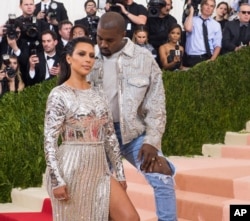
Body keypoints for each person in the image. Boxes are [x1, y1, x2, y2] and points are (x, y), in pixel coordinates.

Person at [89, 12, 177, 221]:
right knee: (101, 190)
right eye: (99, 38)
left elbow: (156, 104)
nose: (102, 44)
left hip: (134, 135)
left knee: (161, 173)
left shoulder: (144, 58)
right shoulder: (89, 58)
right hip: (100, 136)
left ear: (123, 35)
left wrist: (152, 141)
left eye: (109, 40)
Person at [44, 36, 140, 221]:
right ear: (69, 58)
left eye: (91, 55)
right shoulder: (59, 94)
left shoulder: (99, 93)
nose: (88, 59)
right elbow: (49, 141)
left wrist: (119, 173)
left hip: (99, 169)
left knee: (130, 218)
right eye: (81, 54)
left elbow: (110, 136)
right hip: (70, 169)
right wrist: (57, 179)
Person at [183, 0, 222, 67]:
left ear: (213, 9)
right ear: (201, 6)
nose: (208, 7)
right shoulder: (191, 19)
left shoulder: (216, 25)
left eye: (211, 6)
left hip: (207, 57)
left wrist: (212, 60)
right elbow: (188, 28)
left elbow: (217, 45)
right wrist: (191, 12)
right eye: (206, 5)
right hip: (191, 58)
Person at [146, 0, 177, 65]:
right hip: (151, 54)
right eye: (164, 5)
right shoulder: (149, 19)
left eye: (168, 5)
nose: (167, 8)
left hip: (166, 53)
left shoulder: (172, 20)